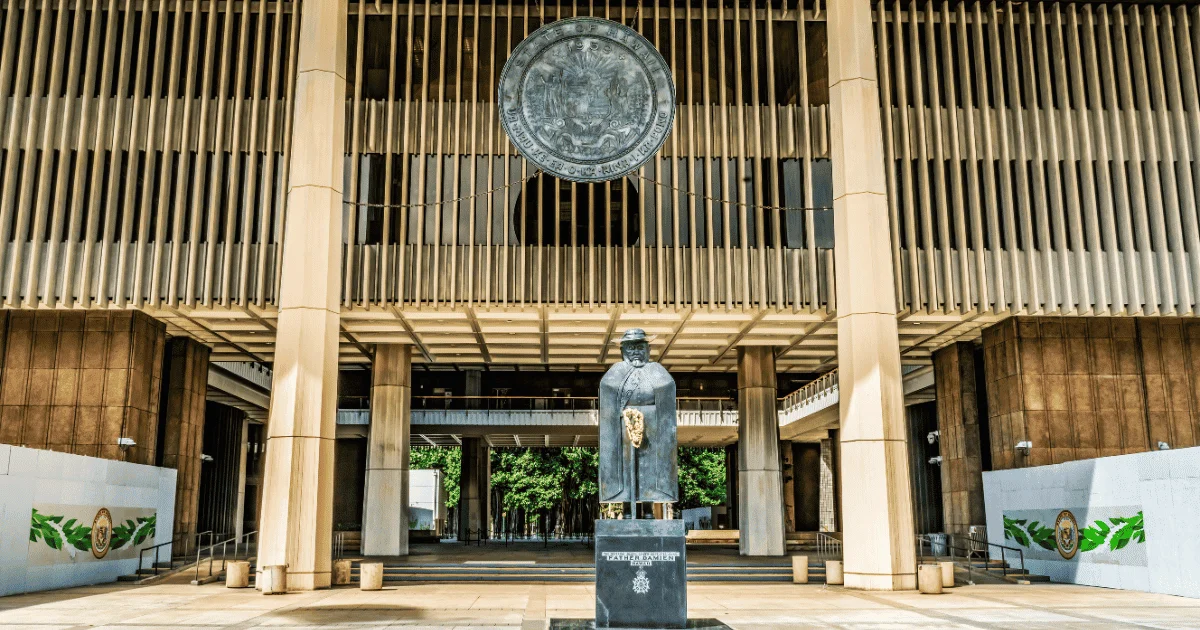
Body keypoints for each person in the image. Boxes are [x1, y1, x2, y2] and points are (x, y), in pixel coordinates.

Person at [598, 328, 679, 506]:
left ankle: (649, 507)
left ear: (649, 349)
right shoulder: (615, 372)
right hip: (623, 430)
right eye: (631, 348)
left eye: (640, 347)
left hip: (652, 430)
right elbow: (608, 400)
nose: (636, 352)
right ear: (622, 350)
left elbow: (666, 393)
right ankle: (627, 506)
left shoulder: (657, 370)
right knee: (626, 468)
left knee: (650, 468)